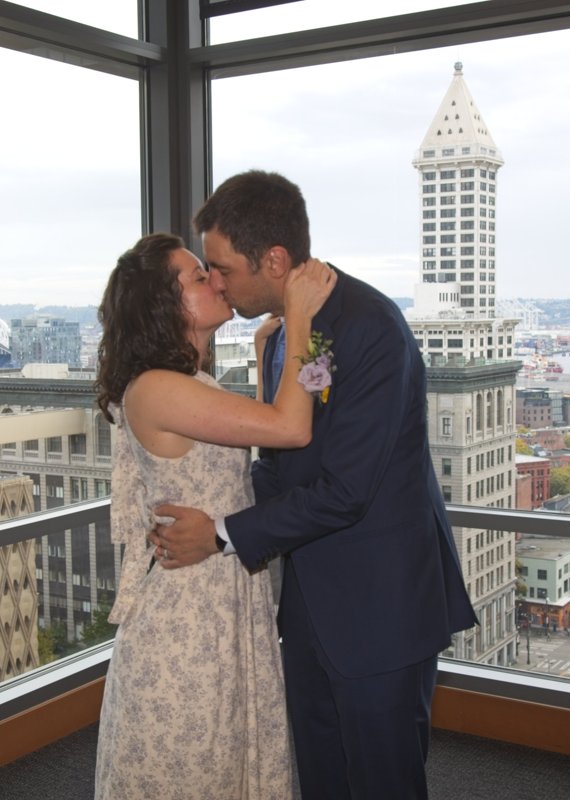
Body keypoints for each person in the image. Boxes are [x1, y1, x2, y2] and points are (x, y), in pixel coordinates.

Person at [152, 170, 478, 800]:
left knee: (385, 784)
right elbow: (282, 460)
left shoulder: (373, 327)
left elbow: (345, 490)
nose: (215, 281)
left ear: (273, 259)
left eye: (221, 267)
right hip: (309, 612)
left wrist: (221, 535)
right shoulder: (282, 336)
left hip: (382, 611)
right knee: (322, 780)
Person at [92, 231, 336, 800]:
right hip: (188, 616)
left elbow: (254, 440)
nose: (216, 280)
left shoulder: (187, 386)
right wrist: (299, 320)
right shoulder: (156, 389)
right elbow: (290, 427)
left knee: (226, 755)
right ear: (166, 305)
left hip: (218, 595)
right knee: (195, 764)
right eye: (198, 277)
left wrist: (263, 357)